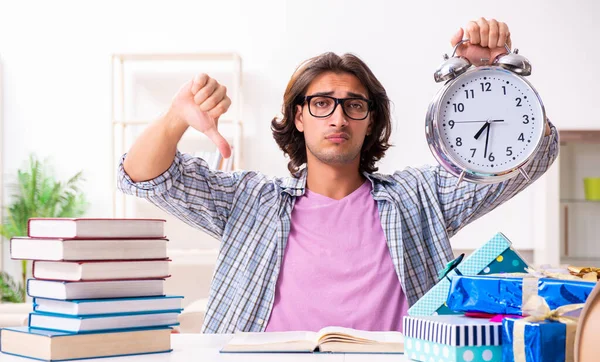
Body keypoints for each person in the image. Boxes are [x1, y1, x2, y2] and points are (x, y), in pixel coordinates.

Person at [118, 18, 558, 334]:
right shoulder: (251, 201)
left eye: (354, 104)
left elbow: (532, 157)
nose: (338, 116)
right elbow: (146, 176)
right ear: (299, 117)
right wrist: (176, 117)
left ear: (370, 121)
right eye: (322, 103)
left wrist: (492, 76)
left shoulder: (420, 196)